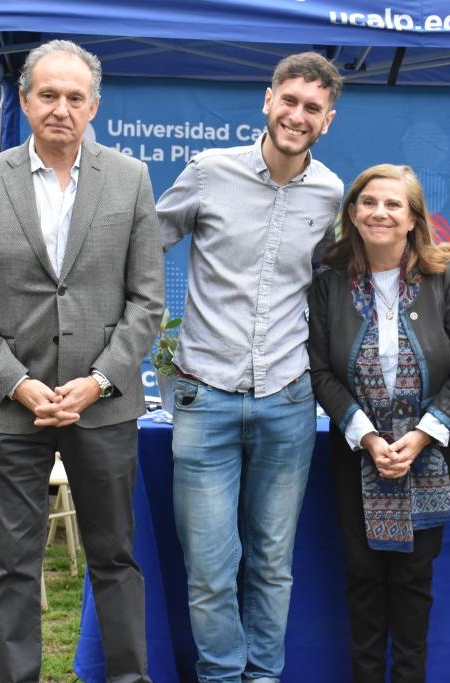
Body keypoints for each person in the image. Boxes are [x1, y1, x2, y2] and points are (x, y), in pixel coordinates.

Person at [0, 40, 163, 683]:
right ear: (24, 99)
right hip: (10, 412)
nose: (61, 108)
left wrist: (99, 381)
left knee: (115, 558)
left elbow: (147, 301)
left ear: (94, 105)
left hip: (103, 406)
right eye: (48, 94)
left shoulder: (130, 179)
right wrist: (17, 384)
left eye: (74, 97)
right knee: (12, 565)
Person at [156, 52, 344, 682]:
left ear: (328, 119)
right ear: (268, 100)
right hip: (203, 397)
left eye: (312, 108)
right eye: (289, 101)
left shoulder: (331, 190)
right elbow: (145, 241)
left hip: (287, 401)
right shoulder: (209, 172)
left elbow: (324, 283)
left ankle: (263, 678)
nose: (297, 115)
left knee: (271, 562)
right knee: (210, 568)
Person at [308, 164, 450, 682]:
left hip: (427, 455)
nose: (379, 213)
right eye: (368, 203)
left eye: (393, 205)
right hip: (354, 454)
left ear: (413, 219)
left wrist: (422, 434)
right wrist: (364, 433)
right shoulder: (328, 286)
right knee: (362, 582)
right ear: (352, 214)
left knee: (412, 582)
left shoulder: (448, 280)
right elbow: (320, 369)